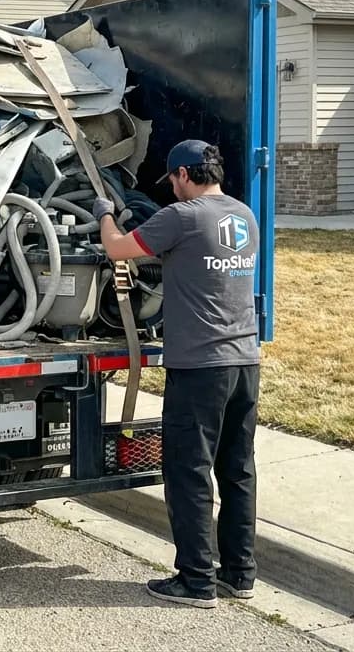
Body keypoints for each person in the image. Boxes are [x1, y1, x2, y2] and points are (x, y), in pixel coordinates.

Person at [92, 139, 261, 609]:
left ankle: (195, 581)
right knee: (238, 469)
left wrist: (104, 212)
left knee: (189, 473)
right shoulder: (244, 216)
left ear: (185, 174)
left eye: (171, 179)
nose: (170, 187)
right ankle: (239, 573)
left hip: (199, 367)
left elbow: (118, 249)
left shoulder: (181, 217)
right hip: (245, 361)